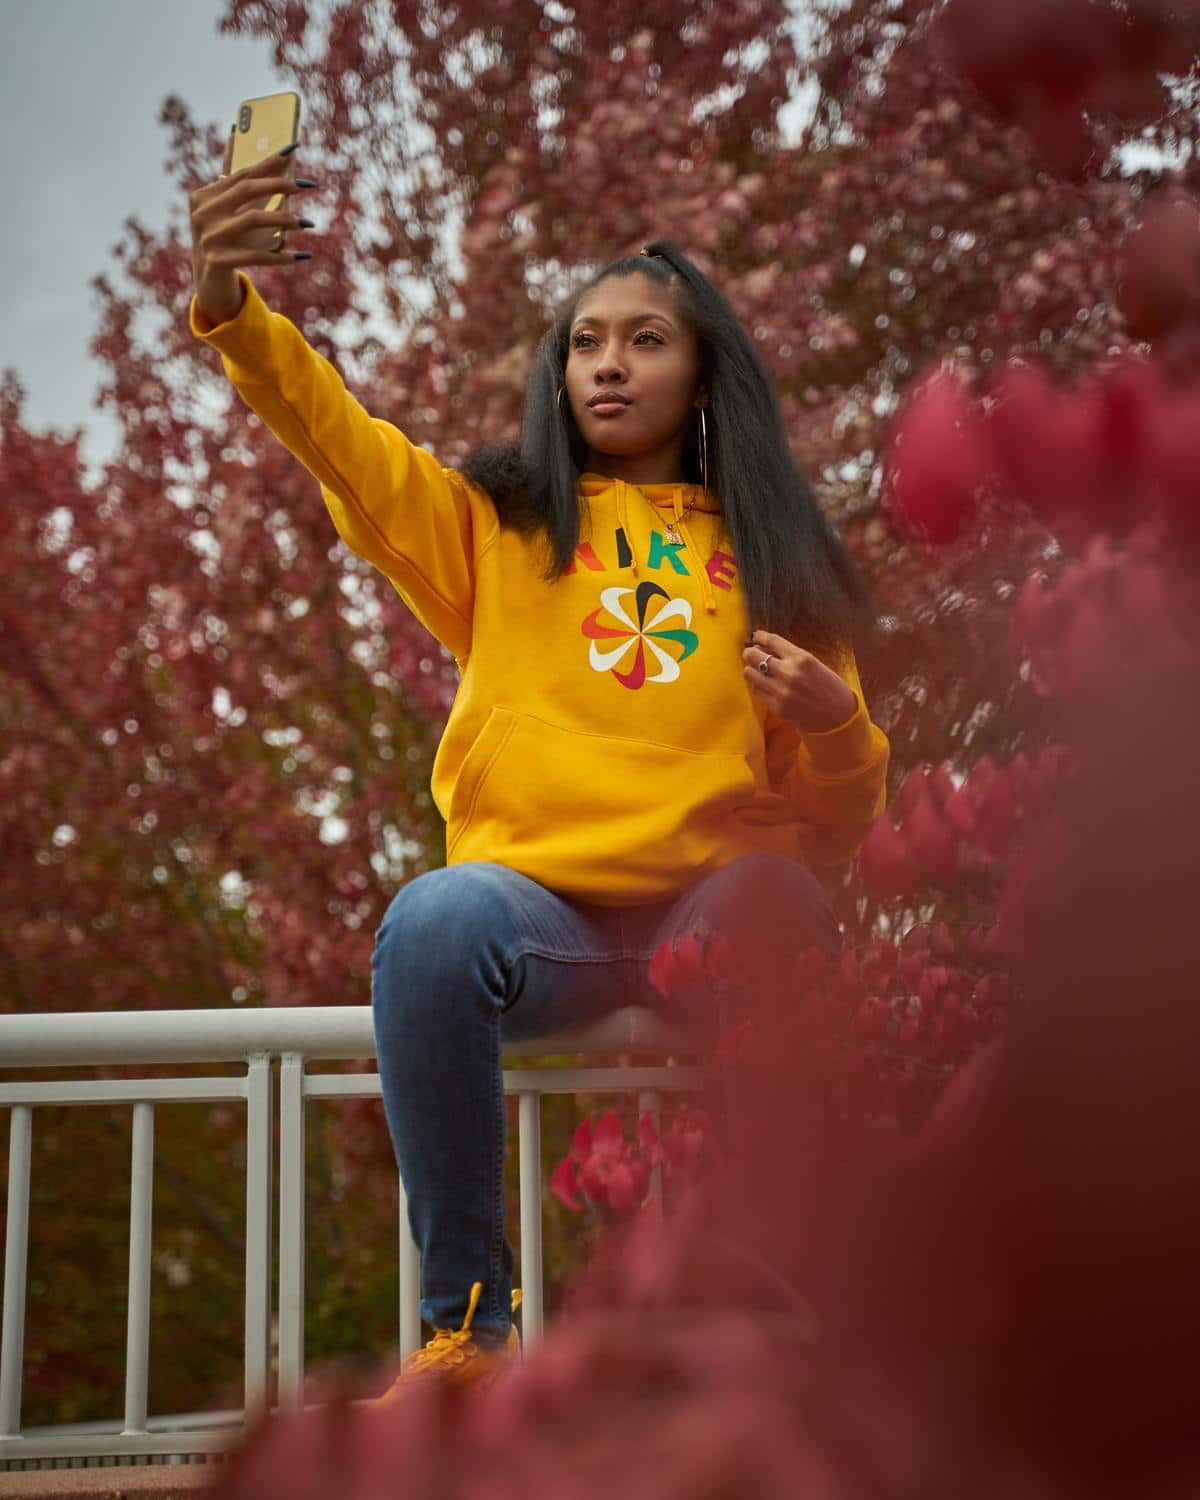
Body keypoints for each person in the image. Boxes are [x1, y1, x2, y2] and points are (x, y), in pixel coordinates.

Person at [187, 135, 890, 1401]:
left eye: (644, 339)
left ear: (706, 373)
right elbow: (347, 446)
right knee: (434, 916)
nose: (607, 362)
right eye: (584, 340)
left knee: (786, 899)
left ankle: (778, 1302)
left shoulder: (773, 557)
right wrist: (242, 317)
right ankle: (465, 1328)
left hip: (714, 914)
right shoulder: (499, 529)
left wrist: (838, 726)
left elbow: (832, 834)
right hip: (537, 921)